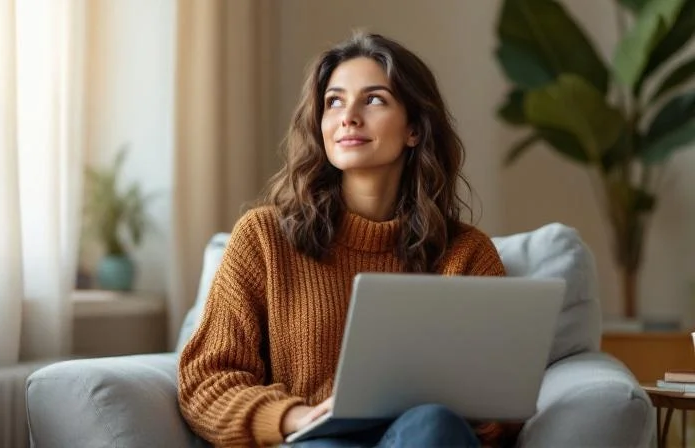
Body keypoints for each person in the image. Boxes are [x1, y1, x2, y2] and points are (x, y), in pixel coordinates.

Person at [177, 32, 520, 448]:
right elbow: (206, 380)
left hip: (423, 439)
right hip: (312, 441)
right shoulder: (263, 238)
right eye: (334, 101)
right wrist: (294, 416)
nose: (348, 117)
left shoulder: (466, 255)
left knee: (433, 424)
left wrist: (484, 416)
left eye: (373, 100)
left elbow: (500, 406)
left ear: (414, 128)